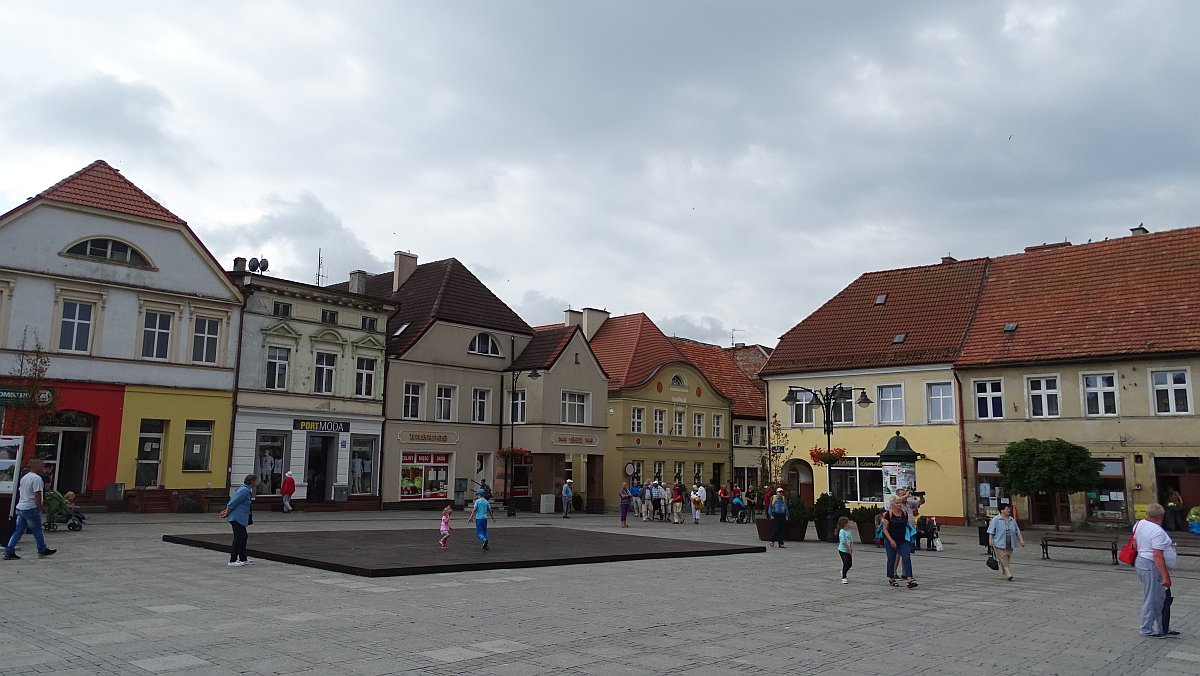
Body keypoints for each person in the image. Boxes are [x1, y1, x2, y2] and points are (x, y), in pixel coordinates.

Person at [1134, 503, 1177, 638]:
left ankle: (1162, 626)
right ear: (1161, 516)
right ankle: (1146, 629)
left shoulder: (1140, 524)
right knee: (1152, 598)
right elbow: (1157, 556)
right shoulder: (1157, 531)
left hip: (1142, 561)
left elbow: (1135, 544)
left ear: (1148, 514)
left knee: (1160, 597)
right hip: (1151, 565)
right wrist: (1166, 576)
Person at [3, 459, 57, 561]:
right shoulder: (37, 479)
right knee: (37, 530)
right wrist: (39, 506)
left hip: (21, 506)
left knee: (18, 530)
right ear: (37, 467)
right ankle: (42, 550)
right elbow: (37, 494)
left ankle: (9, 551)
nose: (43, 469)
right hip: (30, 507)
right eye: (42, 466)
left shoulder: (24, 477)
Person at [219, 474, 257, 567]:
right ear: (251, 481)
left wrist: (227, 511)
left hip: (240, 518)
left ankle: (243, 558)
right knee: (239, 538)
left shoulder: (245, 489)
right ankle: (232, 560)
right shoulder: (244, 490)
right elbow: (233, 502)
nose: (256, 483)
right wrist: (227, 512)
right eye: (255, 481)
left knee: (243, 537)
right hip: (237, 518)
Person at [882, 497, 917, 588]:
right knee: (891, 559)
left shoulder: (904, 513)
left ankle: (909, 579)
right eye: (897, 503)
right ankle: (891, 578)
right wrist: (891, 540)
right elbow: (885, 529)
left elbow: (906, 526)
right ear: (892, 504)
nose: (899, 505)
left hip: (903, 539)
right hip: (891, 539)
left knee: (906, 557)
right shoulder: (888, 514)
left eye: (900, 503)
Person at [987, 503, 1025, 581]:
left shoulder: (1011, 519)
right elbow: (991, 531)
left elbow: (1017, 531)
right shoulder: (996, 519)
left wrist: (1021, 540)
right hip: (999, 542)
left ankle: (1003, 571)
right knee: (1003, 557)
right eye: (1007, 509)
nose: (1008, 510)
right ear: (1002, 510)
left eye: (1008, 509)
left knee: (1007, 557)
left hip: (1010, 542)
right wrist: (990, 541)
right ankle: (1008, 574)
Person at [837, 515, 854, 584]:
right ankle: (844, 577)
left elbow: (851, 541)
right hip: (842, 550)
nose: (850, 524)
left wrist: (851, 548)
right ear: (845, 524)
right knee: (846, 563)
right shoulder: (842, 531)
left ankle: (843, 571)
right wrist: (848, 548)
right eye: (848, 522)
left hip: (848, 550)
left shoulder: (849, 532)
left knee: (850, 564)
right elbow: (843, 541)